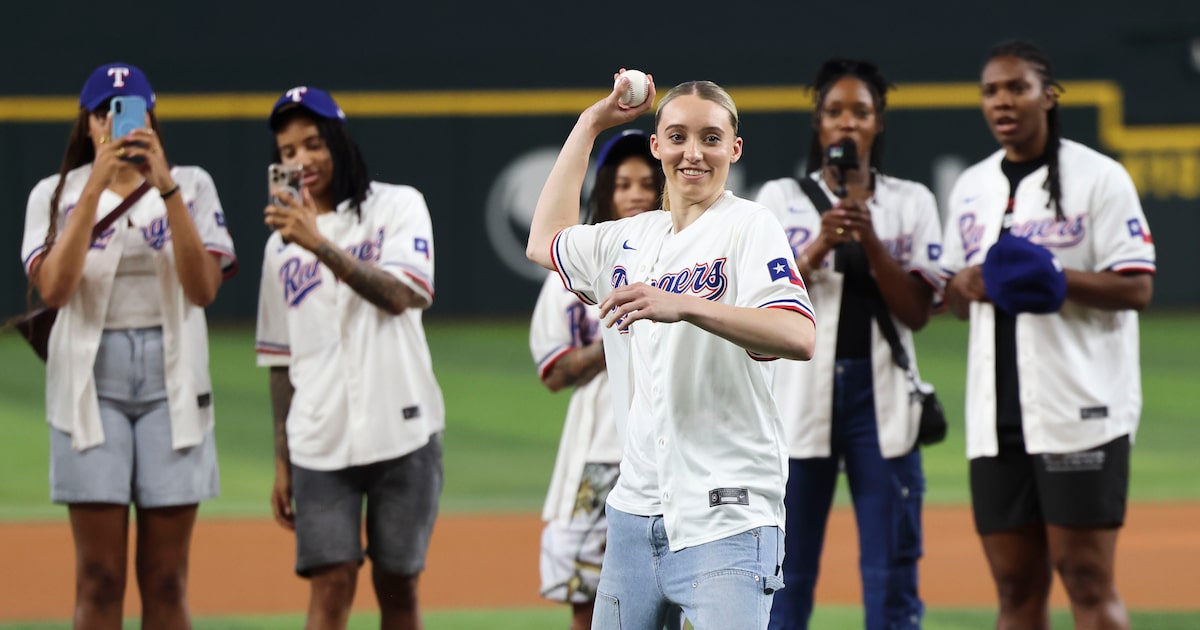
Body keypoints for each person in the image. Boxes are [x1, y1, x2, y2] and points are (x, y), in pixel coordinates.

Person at [526, 72, 817, 630]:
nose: (693, 152)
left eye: (710, 138)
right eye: (678, 136)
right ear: (656, 145)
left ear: (733, 149)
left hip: (728, 515)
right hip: (635, 512)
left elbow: (797, 335)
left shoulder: (750, 227)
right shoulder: (628, 237)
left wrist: (684, 305)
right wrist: (591, 124)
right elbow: (544, 239)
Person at [940, 40, 1155, 630]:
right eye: (991, 90)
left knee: (1087, 578)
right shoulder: (972, 187)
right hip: (996, 417)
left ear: (1048, 95)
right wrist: (965, 283)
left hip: (1079, 408)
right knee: (1013, 588)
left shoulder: (1099, 178)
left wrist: (1053, 276)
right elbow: (954, 298)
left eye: (1017, 87)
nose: (1002, 101)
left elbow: (1136, 287)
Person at [18, 62, 236, 627]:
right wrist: (92, 187)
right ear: (87, 124)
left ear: (151, 119)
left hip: (174, 379)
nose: (116, 125)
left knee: (166, 578)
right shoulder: (54, 193)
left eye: (130, 111)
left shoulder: (192, 183)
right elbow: (56, 289)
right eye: (103, 113)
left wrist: (166, 188)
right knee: (100, 576)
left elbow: (203, 288)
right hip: (90, 383)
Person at [754, 59, 943, 630]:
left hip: (881, 400)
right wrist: (816, 249)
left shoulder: (910, 201)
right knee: (784, 578)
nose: (847, 124)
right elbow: (759, 301)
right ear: (818, 123)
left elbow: (917, 312)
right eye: (835, 111)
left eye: (860, 112)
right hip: (795, 400)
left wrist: (872, 244)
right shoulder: (779, 197)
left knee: (891, 578)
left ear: (878, 123)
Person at [254, 86, 444, 630]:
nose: (301, 160)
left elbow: (401, 295)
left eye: (312, 143)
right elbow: (279, 357)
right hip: (318, 438)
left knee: (398, 585)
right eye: (287, 152)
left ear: (338, 140)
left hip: (404, 429)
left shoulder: (397, 205)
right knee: (330, 586)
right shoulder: (278, 247)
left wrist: (319, 246)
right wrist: (281, 457)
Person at [529, 129, 663, 630]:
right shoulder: (569, 274)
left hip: (667, 445)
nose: (634, 194)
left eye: (645, 183)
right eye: (622, 183)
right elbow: (555, 371)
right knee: (584, 589)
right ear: (604, 190)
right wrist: (620, 331)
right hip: (599, 449)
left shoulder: (689, 264)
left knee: (676, 586)